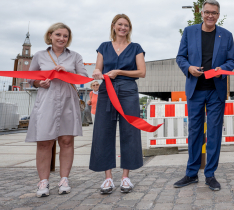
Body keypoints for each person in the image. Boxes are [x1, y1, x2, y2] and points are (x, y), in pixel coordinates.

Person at [175, 0, 234, 191]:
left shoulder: (226, 35)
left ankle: (210, 174)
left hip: (215, 91)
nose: (210, 16)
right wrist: (189, 68)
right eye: (207, 12)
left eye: (214, 13)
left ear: (218, 15)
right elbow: (180, 57)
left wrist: (222, 69)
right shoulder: (189, 32)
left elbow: (231, 61)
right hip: (195, 90)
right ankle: (191, 173)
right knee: (194, 132)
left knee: (214, 133)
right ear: (201, 13)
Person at [26, 23, 88, 197]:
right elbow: (32, 79)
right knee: (44, 141)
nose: (62, 38)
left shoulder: (75, 56)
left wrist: (66, 72)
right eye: (58, 35)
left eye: (65, 36)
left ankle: (64, 179)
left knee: (67, 141)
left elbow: (82, 77)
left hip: (68, 101)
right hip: (47, 100)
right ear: (50, 35)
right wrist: (40, 83)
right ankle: (43, 181)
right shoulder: (39, 56)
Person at [90, 14, 146, 194]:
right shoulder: (104, 47)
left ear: (129, 28)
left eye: (126, 25)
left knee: (129, 132)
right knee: (103, 131)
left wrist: (120, 71)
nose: (123, 27)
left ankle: (125, 177)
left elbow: (142, 72)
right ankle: (107, 179)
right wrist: (97, 73)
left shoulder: (136, 47)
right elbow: (99, 68)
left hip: (128, 92)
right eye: (120, 24)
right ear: (113, 26)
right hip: (107, 91)